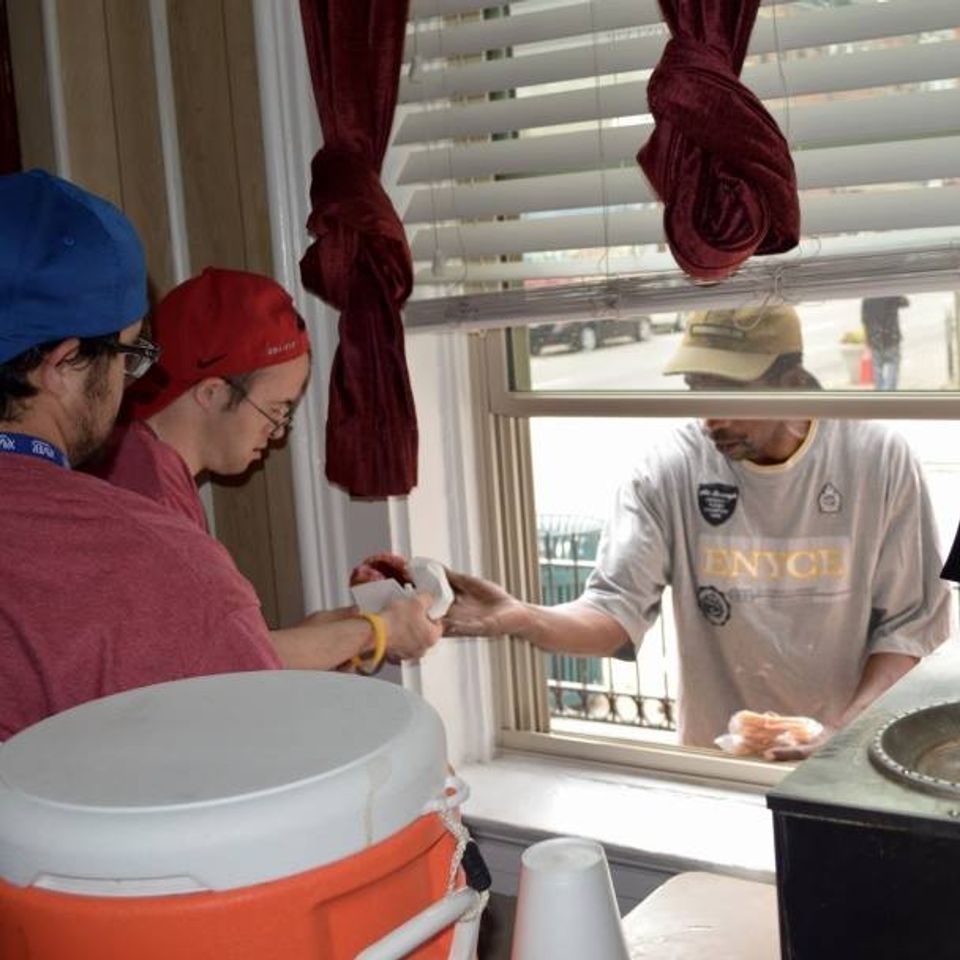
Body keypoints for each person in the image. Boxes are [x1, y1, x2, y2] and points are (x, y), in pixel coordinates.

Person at [0, 170, 439, 740]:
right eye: (128, 354)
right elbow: (229, 708)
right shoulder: (143, 545)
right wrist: (374, 632)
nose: (129, 381)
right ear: (62, 364)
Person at [443, 306, 950, 760]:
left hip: (842, 753)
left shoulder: (876, 459)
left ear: (791, 380)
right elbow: (613, 612)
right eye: (696, 388)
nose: (711, 416)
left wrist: (842, 729)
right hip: (715, 759)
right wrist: (522, 617)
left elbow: (909, 626)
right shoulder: (672, 467)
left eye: (730, 391)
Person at [89, 266, 441, 671]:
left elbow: (219, 645)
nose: (276, 434)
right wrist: (377, 632)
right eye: (275, 411)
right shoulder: (152, 506)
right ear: (211, 392)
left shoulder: (128, 457)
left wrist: (341, 630)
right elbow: (229, 666)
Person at [861, 295, 908, 391]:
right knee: (893, 366)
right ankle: (889, 393)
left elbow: (864, 319)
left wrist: (868, 339)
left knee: (877, 369)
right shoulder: (891, 294)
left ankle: (880, 395)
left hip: (875, 339)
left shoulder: (867, 298)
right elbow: (905, 303)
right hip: (891, 337)